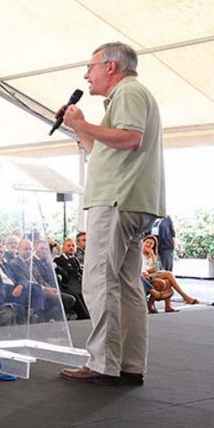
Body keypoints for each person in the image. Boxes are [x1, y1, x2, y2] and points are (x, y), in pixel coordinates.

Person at [59, 42, 167, 385]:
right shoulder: (128, 97)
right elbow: (107, 151)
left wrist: (85, 123)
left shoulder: (128, 92)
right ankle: (129, 363)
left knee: (99, 281)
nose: (85, 75)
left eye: (90, 67)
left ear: (110, 67)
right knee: (125, 284)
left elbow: (130, 139)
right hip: (133, 199)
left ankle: (103, 363)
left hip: (116, 200)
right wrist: (79, 128)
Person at [142, 235, 198, 308]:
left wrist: (152, 255)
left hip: (152, 274)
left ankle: (167, 306)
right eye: (147, 242)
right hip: (143, 275)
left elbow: (156, 268)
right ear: (143, 243)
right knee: (169, 274)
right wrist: (148, 270)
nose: (149, 244)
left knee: (168, 280)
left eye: (151, 243)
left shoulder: (151, 254)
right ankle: (184, 296)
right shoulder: (138, 254)